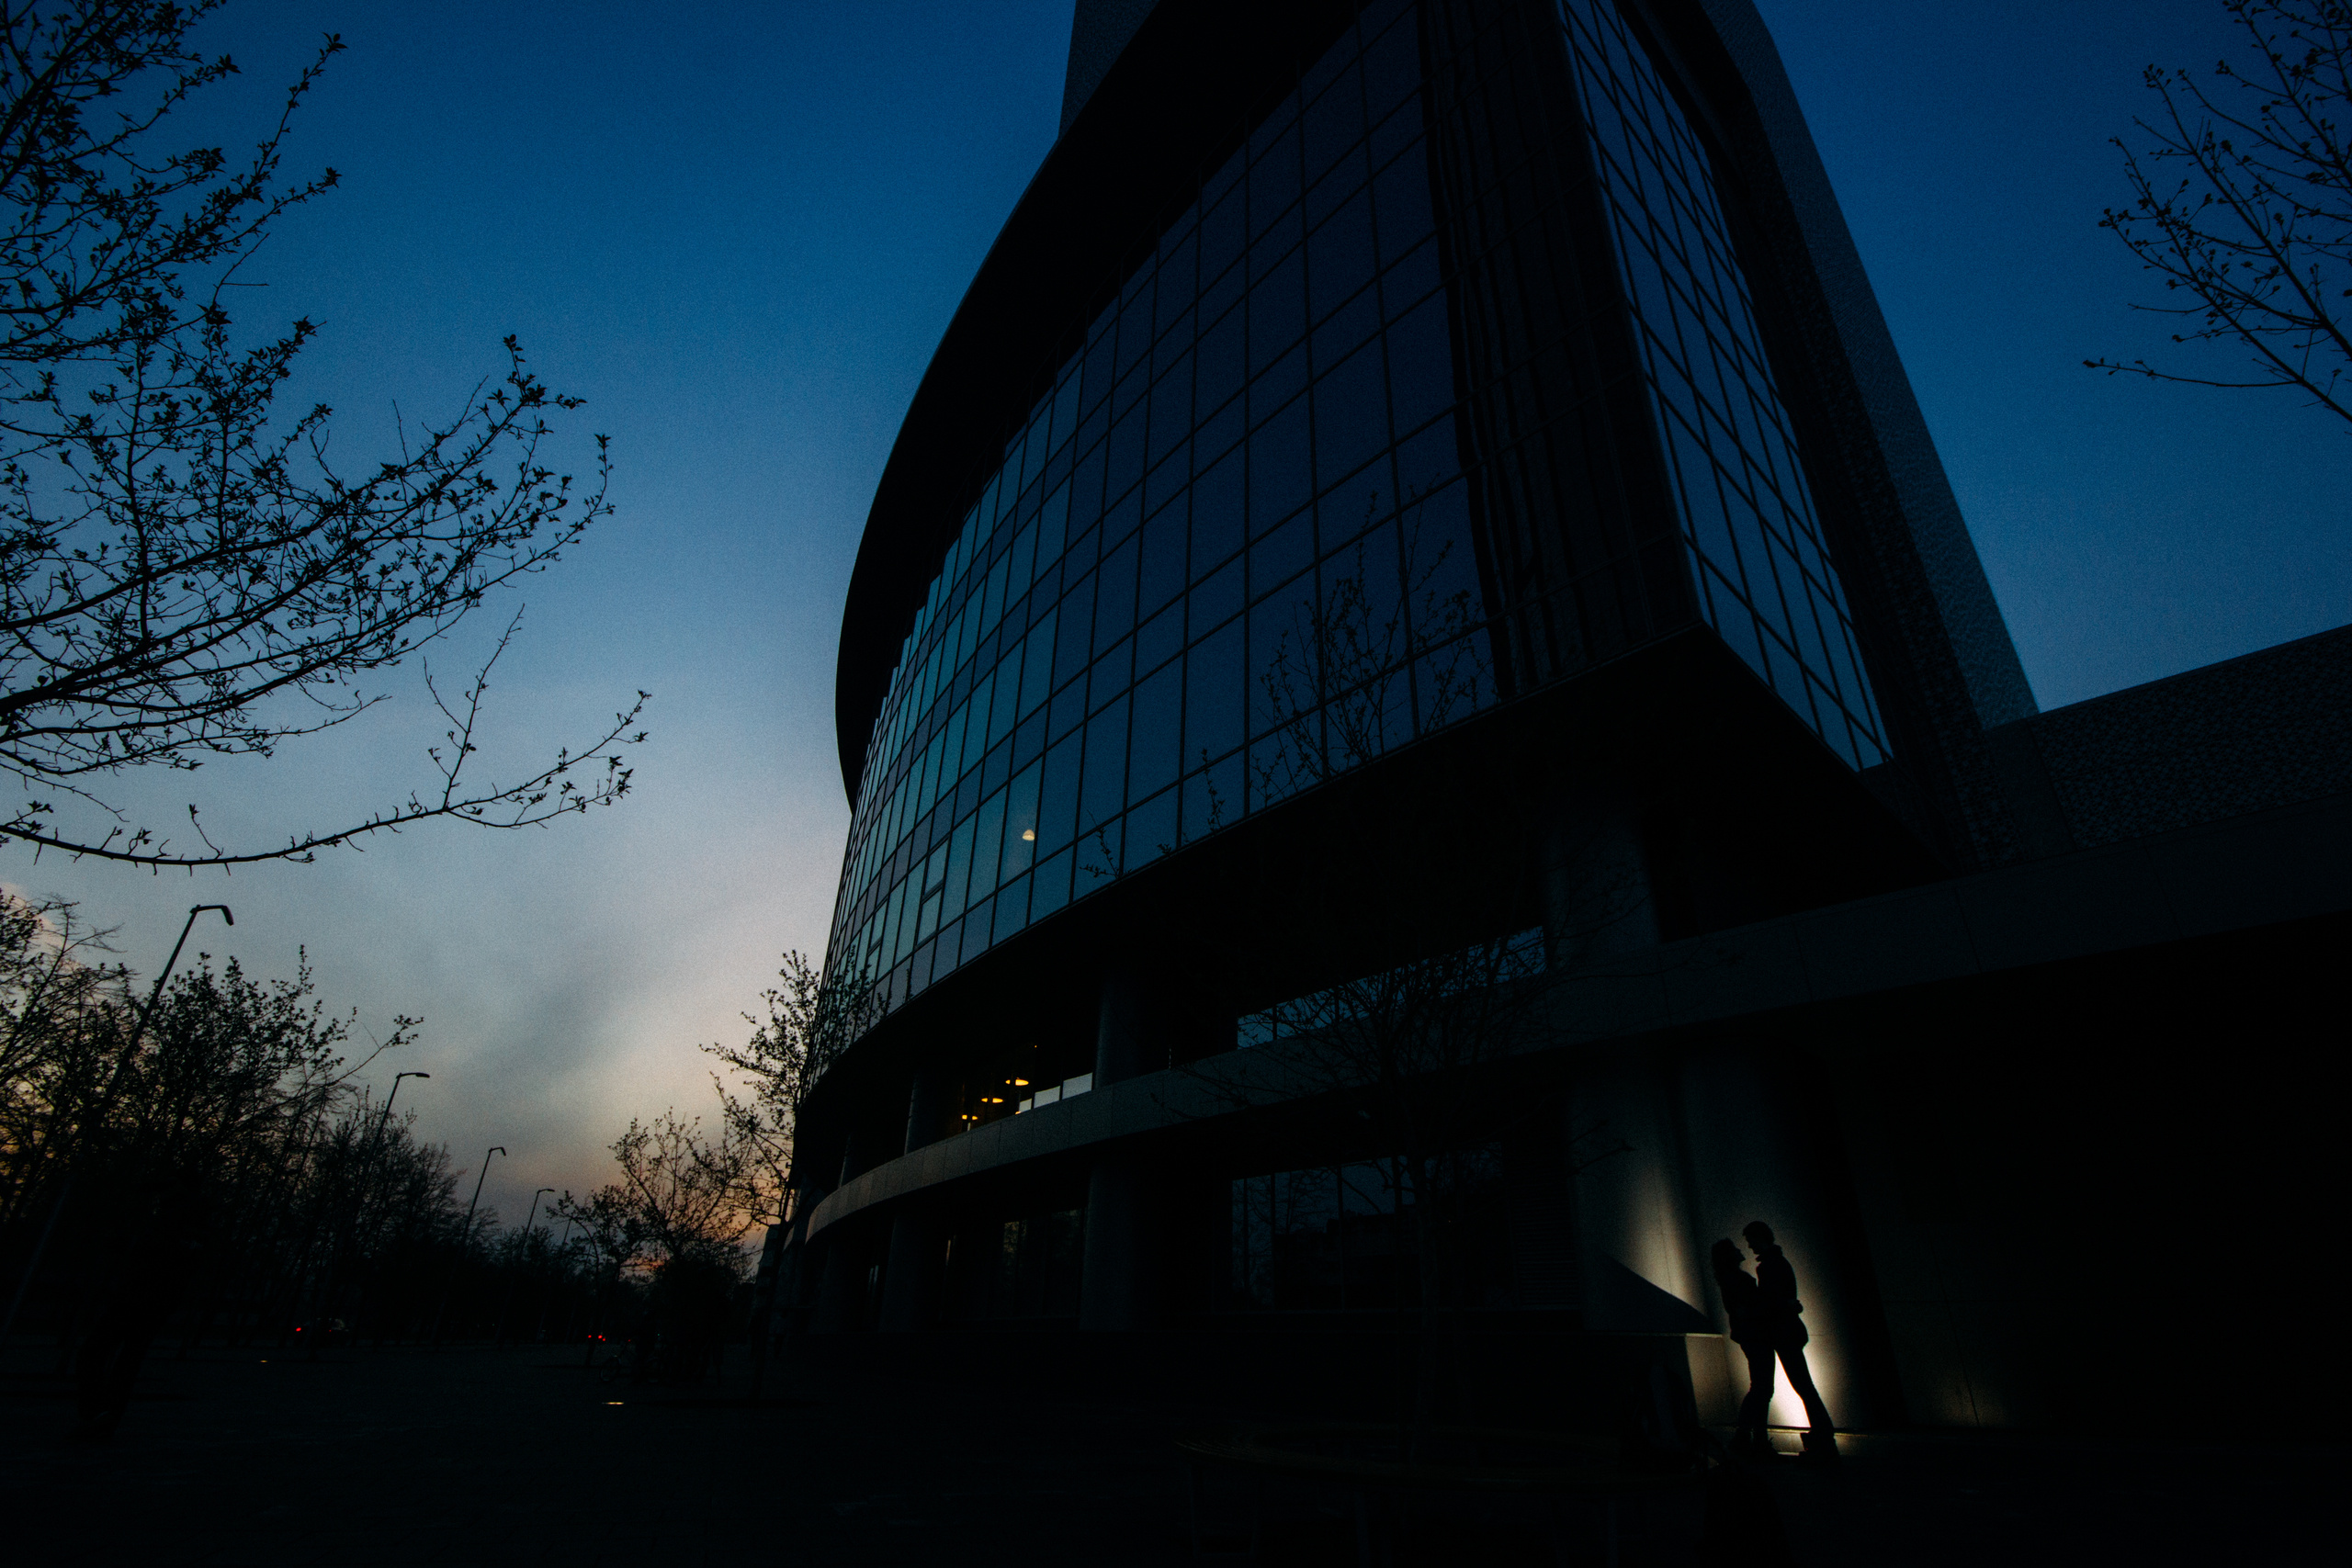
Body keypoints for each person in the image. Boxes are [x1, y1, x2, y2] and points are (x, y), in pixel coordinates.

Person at [1742, 1220, 1836, 1462]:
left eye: (1751, 1240)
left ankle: (1823, 1438)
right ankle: (1824, 1437)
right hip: (1789, 1332)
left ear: (1760, 1238)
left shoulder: (1768, 1266)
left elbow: (1770, 1303)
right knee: (1805, 1387)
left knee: (1804, 1387)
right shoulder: (1779, 1262)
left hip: (1783, 1334)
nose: (1750, 1246)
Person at [1709, 1238, 1772, 1458]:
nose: (1740, 1250)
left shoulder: (1728, 1280)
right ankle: (1755, 1439)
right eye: (1735, 1249)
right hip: (1757, 1336)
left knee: (1760, 1388)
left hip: (1749, 1337)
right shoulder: (1739, 1280)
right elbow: (1749, 1308)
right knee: (1763, 1389)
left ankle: (1748, 1437)